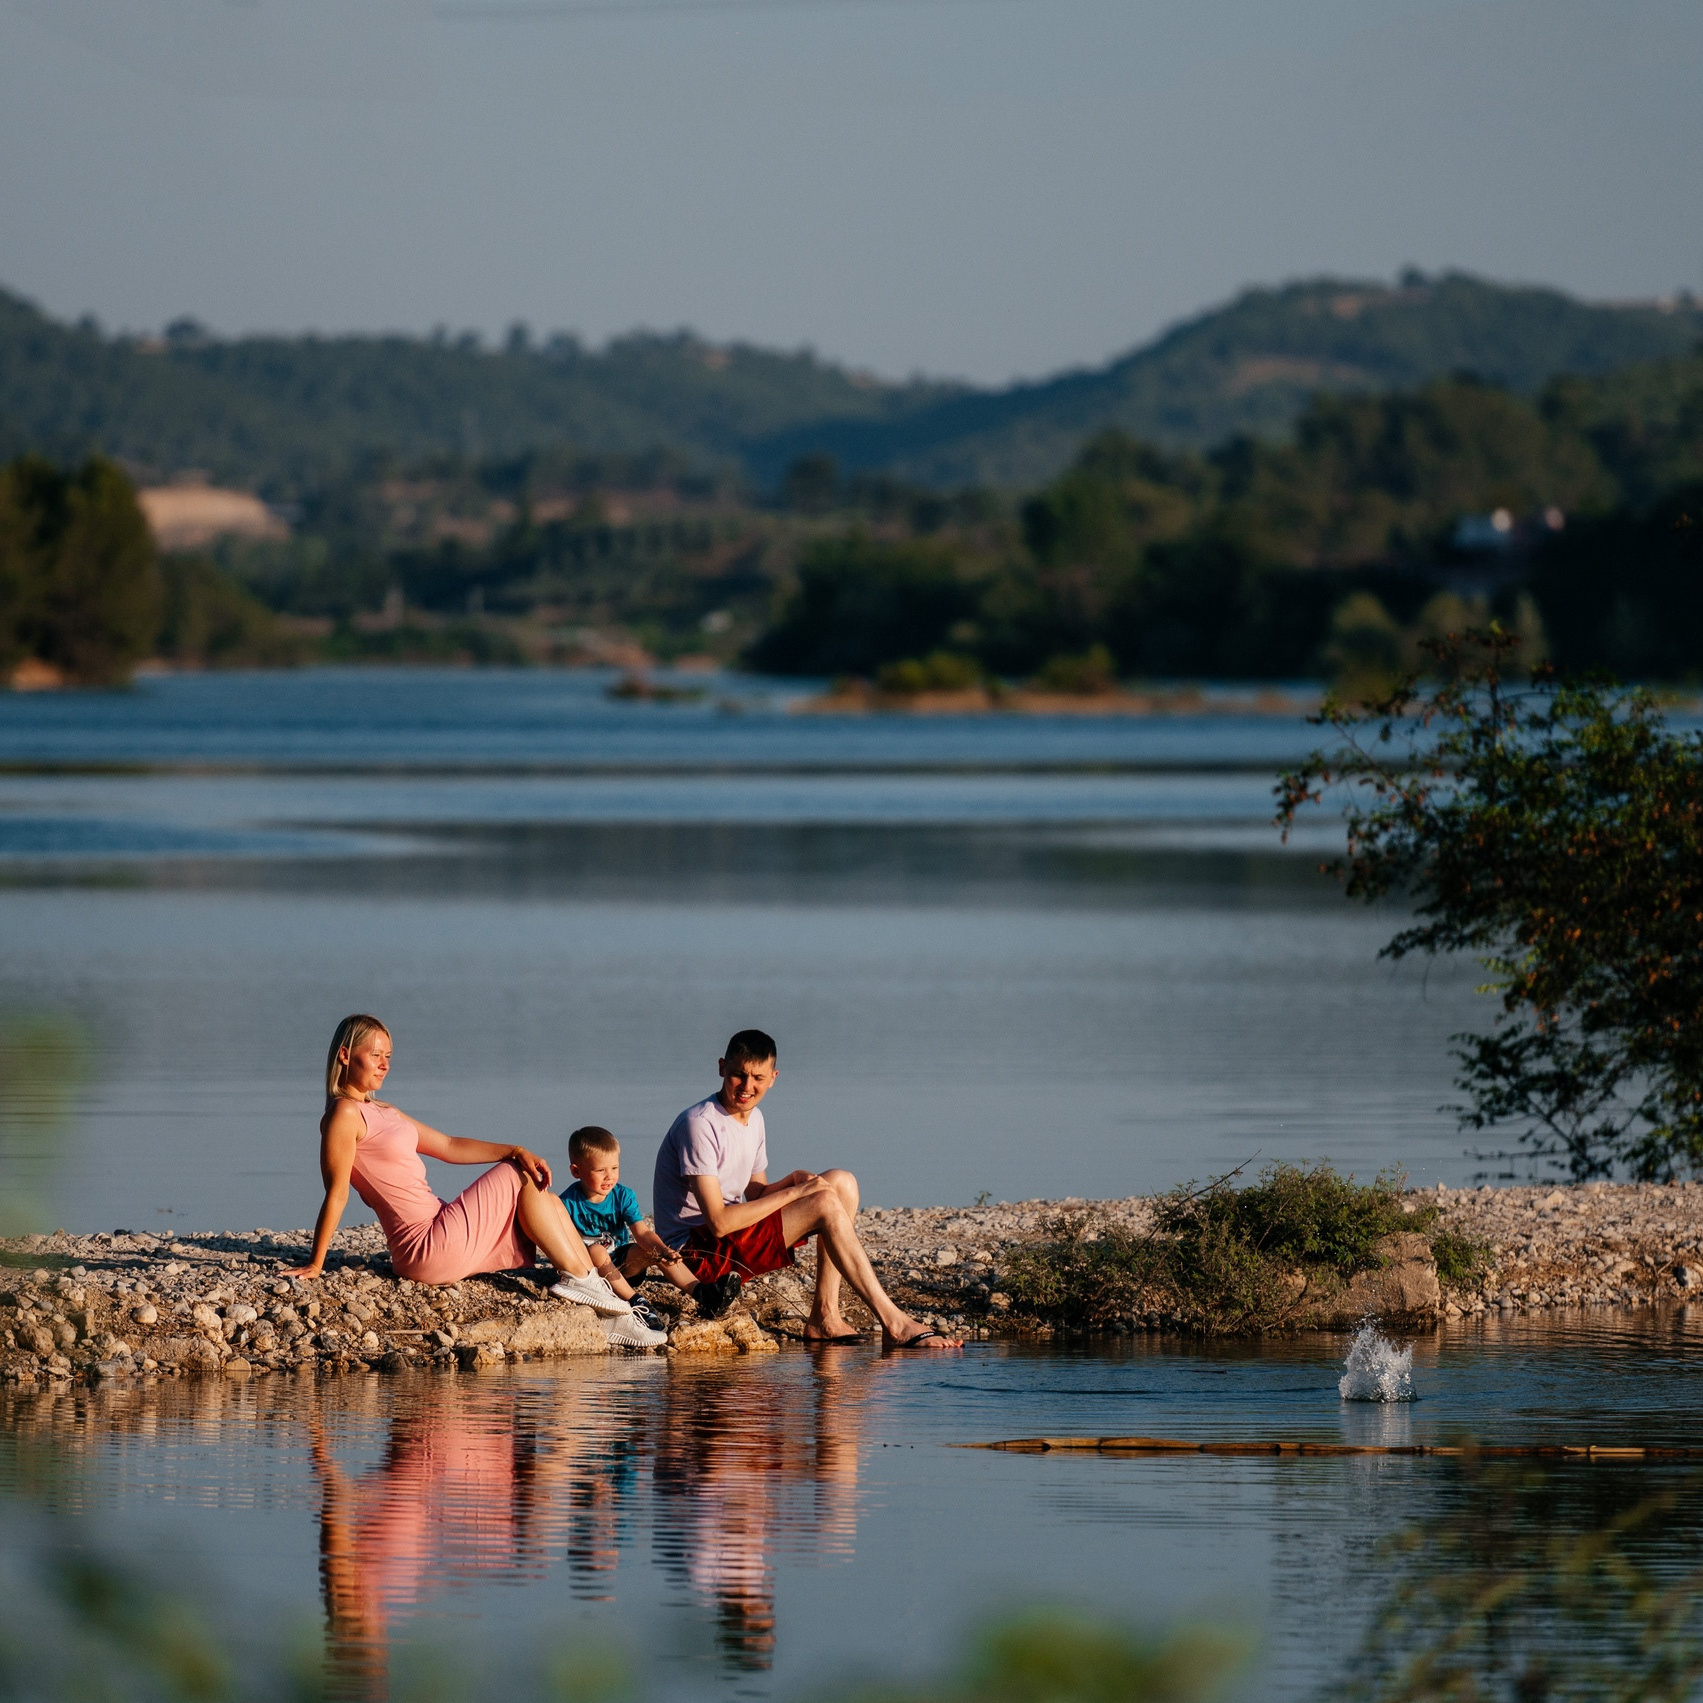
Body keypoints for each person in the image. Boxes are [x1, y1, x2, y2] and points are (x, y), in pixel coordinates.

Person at [286, 1014, 667, 1350]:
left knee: (545, 1199)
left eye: (389, 1056)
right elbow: (336, 1193)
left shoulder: (383, 1110)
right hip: (424, 1245)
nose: (385, 1065)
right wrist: (317, 1262)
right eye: (375, 1055)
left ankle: (598, 1295)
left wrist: (514, 1148)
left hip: (440, 1225)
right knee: (518, 1175)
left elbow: (449, 1146)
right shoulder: (343, 1115)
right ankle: (592, 1290)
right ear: (345, 1055)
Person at [653, 1029, 957, 1349]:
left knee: (842, 1182)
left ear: (773, 1077)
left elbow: (755, 1193)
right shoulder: (699, 1123)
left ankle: (825, 1316)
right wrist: (797, 1194)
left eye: (758, 1077)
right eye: (738, 1075)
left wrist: (791, 1181)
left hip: (725, 1239)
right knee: (824, 1202)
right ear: (721, 1068)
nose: (747, 1087)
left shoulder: (753, 1119)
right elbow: (719, 1221)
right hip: (693, 1255)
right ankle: (895, 1323)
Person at [559, 1125, 742, 1324]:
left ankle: (702, 1292)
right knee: (596, 1251)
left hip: (623, 1266)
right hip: (590, 1271)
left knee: (654, 1250)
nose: (609, 1176)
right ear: (576, 1171)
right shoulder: (566, 1203)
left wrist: (664, 1250)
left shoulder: (623, 1195)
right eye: (600, 1170)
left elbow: (642, 1232)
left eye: (614, 1168)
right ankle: (637, 1302)